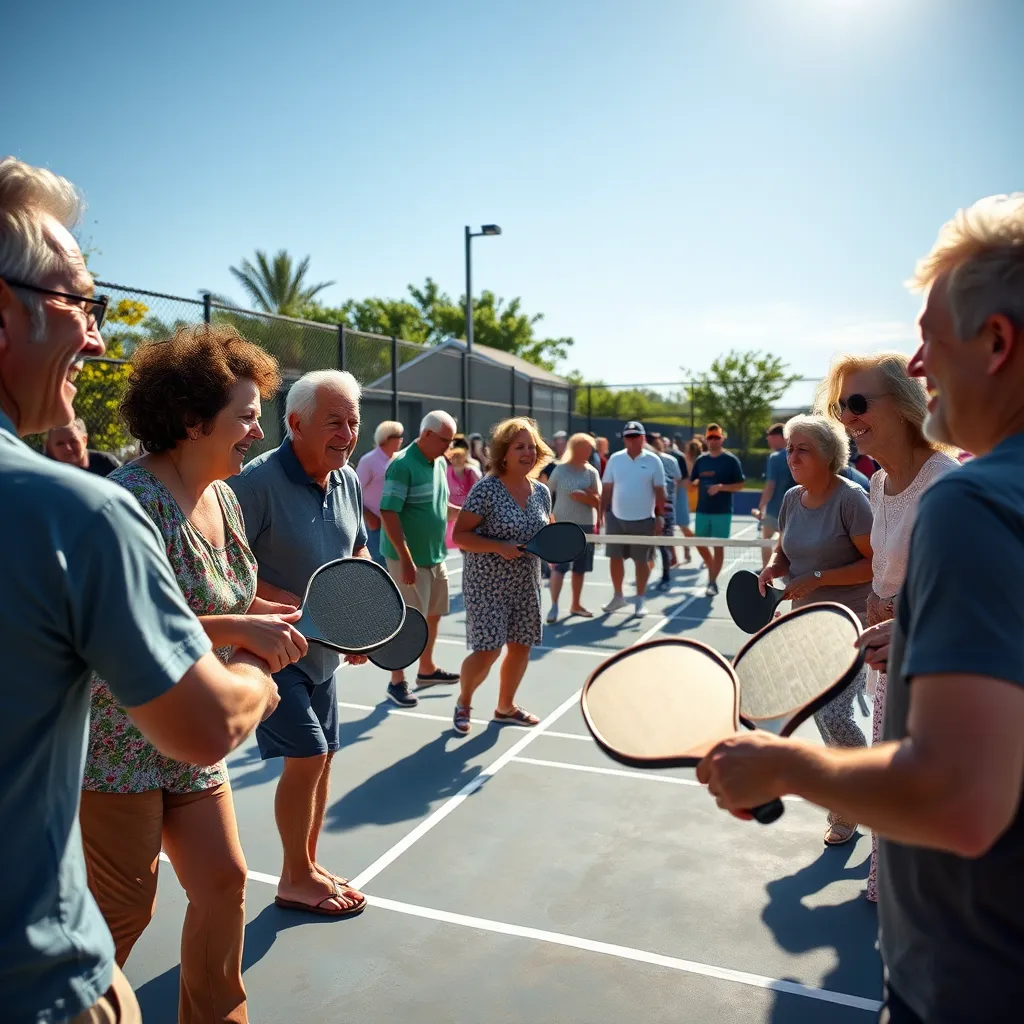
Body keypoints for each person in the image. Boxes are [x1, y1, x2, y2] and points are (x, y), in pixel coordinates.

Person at [697, 192, 1024, 1023]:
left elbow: (956, 796)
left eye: (928, 340)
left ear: (996, 343)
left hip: (973, 975)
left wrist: (784, 767)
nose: (917, 365)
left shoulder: (970, 503)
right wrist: (906, 628)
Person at [0, 156, 278, 1023]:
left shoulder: (207, 501)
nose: (94, 336)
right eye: (81, 302)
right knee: (122, 914)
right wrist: (259, 681)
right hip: (38, 968)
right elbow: (205, 722)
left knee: (223, 884)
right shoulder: (89, 511)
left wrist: (249, 617)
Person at [80, 325, 305, 1024]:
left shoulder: (225, 496)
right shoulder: (128, 503)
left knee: (224, 881)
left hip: (196, 732)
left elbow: (222, 598)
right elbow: (115, 634)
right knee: (121, 912)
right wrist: (242, 632)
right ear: (189, 419)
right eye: (245, 415)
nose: (255, 430)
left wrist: (276, 614)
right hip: (118, 739)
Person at [815, 351, 958, 901]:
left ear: (904, 403)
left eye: (857, 402)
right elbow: (893, 571)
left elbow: (979, 595)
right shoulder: (877, 486)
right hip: (892, 669)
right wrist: (879, 598)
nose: (847, 418)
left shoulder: (946, 484)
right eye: (839, 406)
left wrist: (904, 621)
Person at [230, 369, 370, 919]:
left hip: (323, 655)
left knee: (326, 756)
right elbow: (224, 570)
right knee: (308, 754)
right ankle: (293, 877)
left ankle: (306, 864)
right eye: (334, 421)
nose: (347, 432)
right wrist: (298, 605)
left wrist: (360, 616)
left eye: (353, 421)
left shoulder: (349, 479)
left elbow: (358, 548)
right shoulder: (253, 483)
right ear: (294, 424)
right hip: (270, 650)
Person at [758, 414, 873, 845]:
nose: (791, 456)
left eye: (802, 448)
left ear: (829, 454)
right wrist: (773, 569)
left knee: (833, 713)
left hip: (850, 623)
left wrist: (821, 578)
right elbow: (785, 553)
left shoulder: (852, 499)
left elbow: (874, 562)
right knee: (823, 718)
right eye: (789, 448)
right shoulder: (791, 498)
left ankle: (860, 791)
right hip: (804, 625)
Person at [451, 417, 553, 735]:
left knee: (521, 645)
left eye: (532, 447)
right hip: (487, 583)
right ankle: (464, 702)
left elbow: (545, 531)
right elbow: (461, 536)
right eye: (519, 447)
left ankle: (505, 707)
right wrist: (498, 546)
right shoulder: (487, 489)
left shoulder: (541, 493)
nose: (527, 452)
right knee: (488, 650)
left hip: (526, 580)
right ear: (503, 453)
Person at [379, 410, 462, 707]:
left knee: (434, 613)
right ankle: (396, 681)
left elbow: (441, 506)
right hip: (408, 559)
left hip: (434, 555)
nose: (448, 447)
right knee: (408, 621)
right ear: (426, 435)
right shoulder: (402, 465)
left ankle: (426, 669)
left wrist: (467, 516)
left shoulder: (438, 462)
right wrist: (405, 558)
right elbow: (388, 512)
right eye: (445, 440)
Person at [599, 420, 666, 616]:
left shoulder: (654, 461)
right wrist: (603, 515)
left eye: (636, 436)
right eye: (628, 436)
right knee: (615, 558)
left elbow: (660, 491)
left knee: (642, 561)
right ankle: (618, 596)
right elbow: (607, 488)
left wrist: (660, 517)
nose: (632, 439)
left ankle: (639, 600)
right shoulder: (615, 459)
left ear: (643, 438)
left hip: (645, 519)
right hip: (616, 519)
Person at [545, 432, 601, 621]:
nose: (588, 451)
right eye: (585, 447)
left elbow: (599, 501)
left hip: (586, 525)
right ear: (574, 448)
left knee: (580, 568)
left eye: (590, 448)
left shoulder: (591, 472)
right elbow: (546, 494)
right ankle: (553, 606)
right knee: (559, 568)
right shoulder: (560, 470)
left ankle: (575, 605)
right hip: (562, 525)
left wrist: (587, 498)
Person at [689, 424, 745, 596]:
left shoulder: (731, 460)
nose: (713, 441)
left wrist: (720, 487)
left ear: (722, 439)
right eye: (710, 437)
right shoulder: (701, 460)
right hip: (702, 510)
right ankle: (713, 568)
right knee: (698, 542)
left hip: (722, 511)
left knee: (718, 547)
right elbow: (693, 481)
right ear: (706, 439)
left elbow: (740, 485)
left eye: (716, 437)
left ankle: (712, 581)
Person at [355, 419, 404, 565]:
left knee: (395, 568)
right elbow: (354, 492)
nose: (401, 440)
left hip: (395, 525)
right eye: (398, 436)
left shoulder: (399, 460)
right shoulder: (368, 461)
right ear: (386, 439)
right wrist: (369, 516)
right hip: (376, 527)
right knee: (378, 568)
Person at [753, 423, 794, 569]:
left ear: (779, 437)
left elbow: (770, 485)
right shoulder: (798, 454)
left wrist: (761, 506)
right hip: (795, 509)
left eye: (769, 437)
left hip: (775, 510)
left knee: (766, 540)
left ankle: (766, 570)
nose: (768, 441)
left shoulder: (774, 457)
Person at [650, 434, 682, 588]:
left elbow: (674, 484)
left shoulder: (669, 460)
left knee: (663, 544)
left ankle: (665, 576)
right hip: (651, 508)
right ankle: (659, 574)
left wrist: (663, 509)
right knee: (654, 545)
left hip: (665, 508)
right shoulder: (646, 461)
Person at [45, 416, 120, 476]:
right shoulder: (46, 473)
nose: (68, 448)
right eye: (60, 444)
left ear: (84, 440)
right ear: (50, 447)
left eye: (73, 441)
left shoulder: (106, 464)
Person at [445, 436, 482, 548]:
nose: (456, 459)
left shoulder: (472, 471)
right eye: (454, 455)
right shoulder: (446, 471)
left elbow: (479, 494)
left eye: (459, 455)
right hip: (451, 516)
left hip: (468, 516)